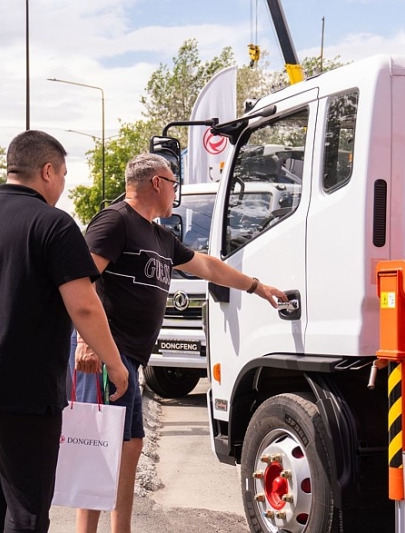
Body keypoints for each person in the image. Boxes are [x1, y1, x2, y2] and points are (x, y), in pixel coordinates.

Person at [72, 153, 287, 533]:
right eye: (173, 183)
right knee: (98, 448)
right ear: (156, 183)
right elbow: (81, 280)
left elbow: (207, 266)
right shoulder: (115, 220)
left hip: (130, 359)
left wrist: (257, 287)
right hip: (108, 352)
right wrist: (88, 342)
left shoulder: (160, 236)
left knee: (129, 447)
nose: (176, 192)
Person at [0, 130, 129, 533]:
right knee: (26, 510)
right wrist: (115, 364)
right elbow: (83, 304)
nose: (62, 185)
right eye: (63, 174)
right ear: (47, 171)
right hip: (22, 388)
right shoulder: (55, 225)